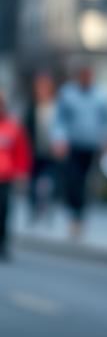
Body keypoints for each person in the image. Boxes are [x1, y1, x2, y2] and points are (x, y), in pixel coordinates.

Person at [51, 65, 107, 238]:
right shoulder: (68, 94)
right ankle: (74, 213)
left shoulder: (101, 96)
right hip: (73, 144)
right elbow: (60, 119)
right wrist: (59, 139)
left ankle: (80, 216)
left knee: (86, 182)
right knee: (73, 180)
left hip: (92, 145)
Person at [0, 90, 32, 260]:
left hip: (5, 177)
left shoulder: (13, 127)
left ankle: (3, 244)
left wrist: (22, 173)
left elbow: (21, 152)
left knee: (4, 211)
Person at [24, 71, 59, 222]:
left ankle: (48, 207)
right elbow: (26, 130)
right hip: (34, 150)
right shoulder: (31, 107)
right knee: (33, 182)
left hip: (51, 151)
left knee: (49, 181)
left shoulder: (57, 107)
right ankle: (34, 210)